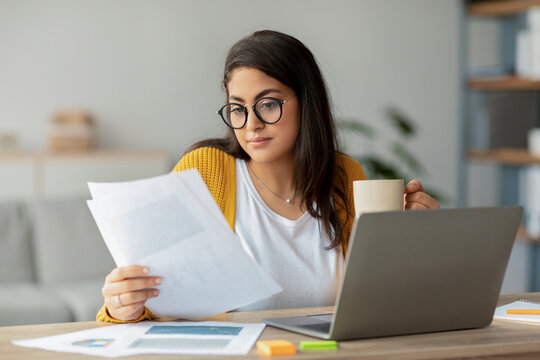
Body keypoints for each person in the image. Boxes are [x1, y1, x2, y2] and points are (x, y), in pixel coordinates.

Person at [97, 30, 440, 323]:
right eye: (238, 108)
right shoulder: (204, 171)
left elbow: (378, 303)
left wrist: (409, 242)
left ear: (307, 103)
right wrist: (122, 306)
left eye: (268, 104)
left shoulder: (346, 176)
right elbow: (155, 300)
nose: (252, 124)